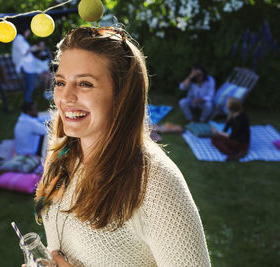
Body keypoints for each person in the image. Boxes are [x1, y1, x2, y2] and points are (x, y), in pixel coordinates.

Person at [33, 26, 211, 266]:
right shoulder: (63, 155)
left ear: (122, 95)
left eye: (85, 84)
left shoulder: (155, 184)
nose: (65, 97)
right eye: (61, 82)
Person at [11, 28, 52, 103]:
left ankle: (29, 102)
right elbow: (24, 52)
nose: (28, 34)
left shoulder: (21, 39)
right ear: (24, 31)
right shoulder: (19, 39)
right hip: (26, 67)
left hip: (29, 67)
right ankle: (28, 103)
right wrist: (32, 48)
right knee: (30, 86)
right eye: (28, 32)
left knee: (31, 86)